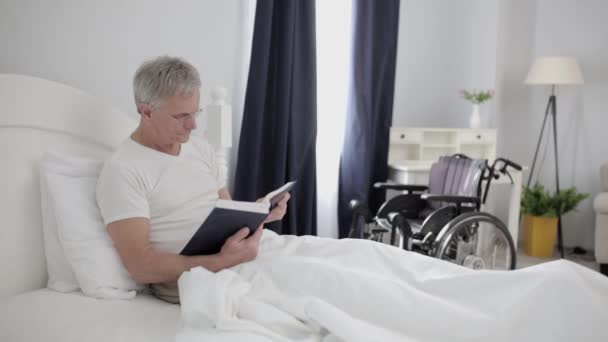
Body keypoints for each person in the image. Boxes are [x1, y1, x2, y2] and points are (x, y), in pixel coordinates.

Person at [96, 56, 290, 303]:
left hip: (233, 261)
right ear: (146, 111)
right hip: (195, 279)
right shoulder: (123, 170)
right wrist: (220, 261)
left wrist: (259, 214)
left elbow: (226, 214)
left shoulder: (200, 149)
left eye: (195, 112)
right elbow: (141, 265)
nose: (193, 125)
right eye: (180, 116)